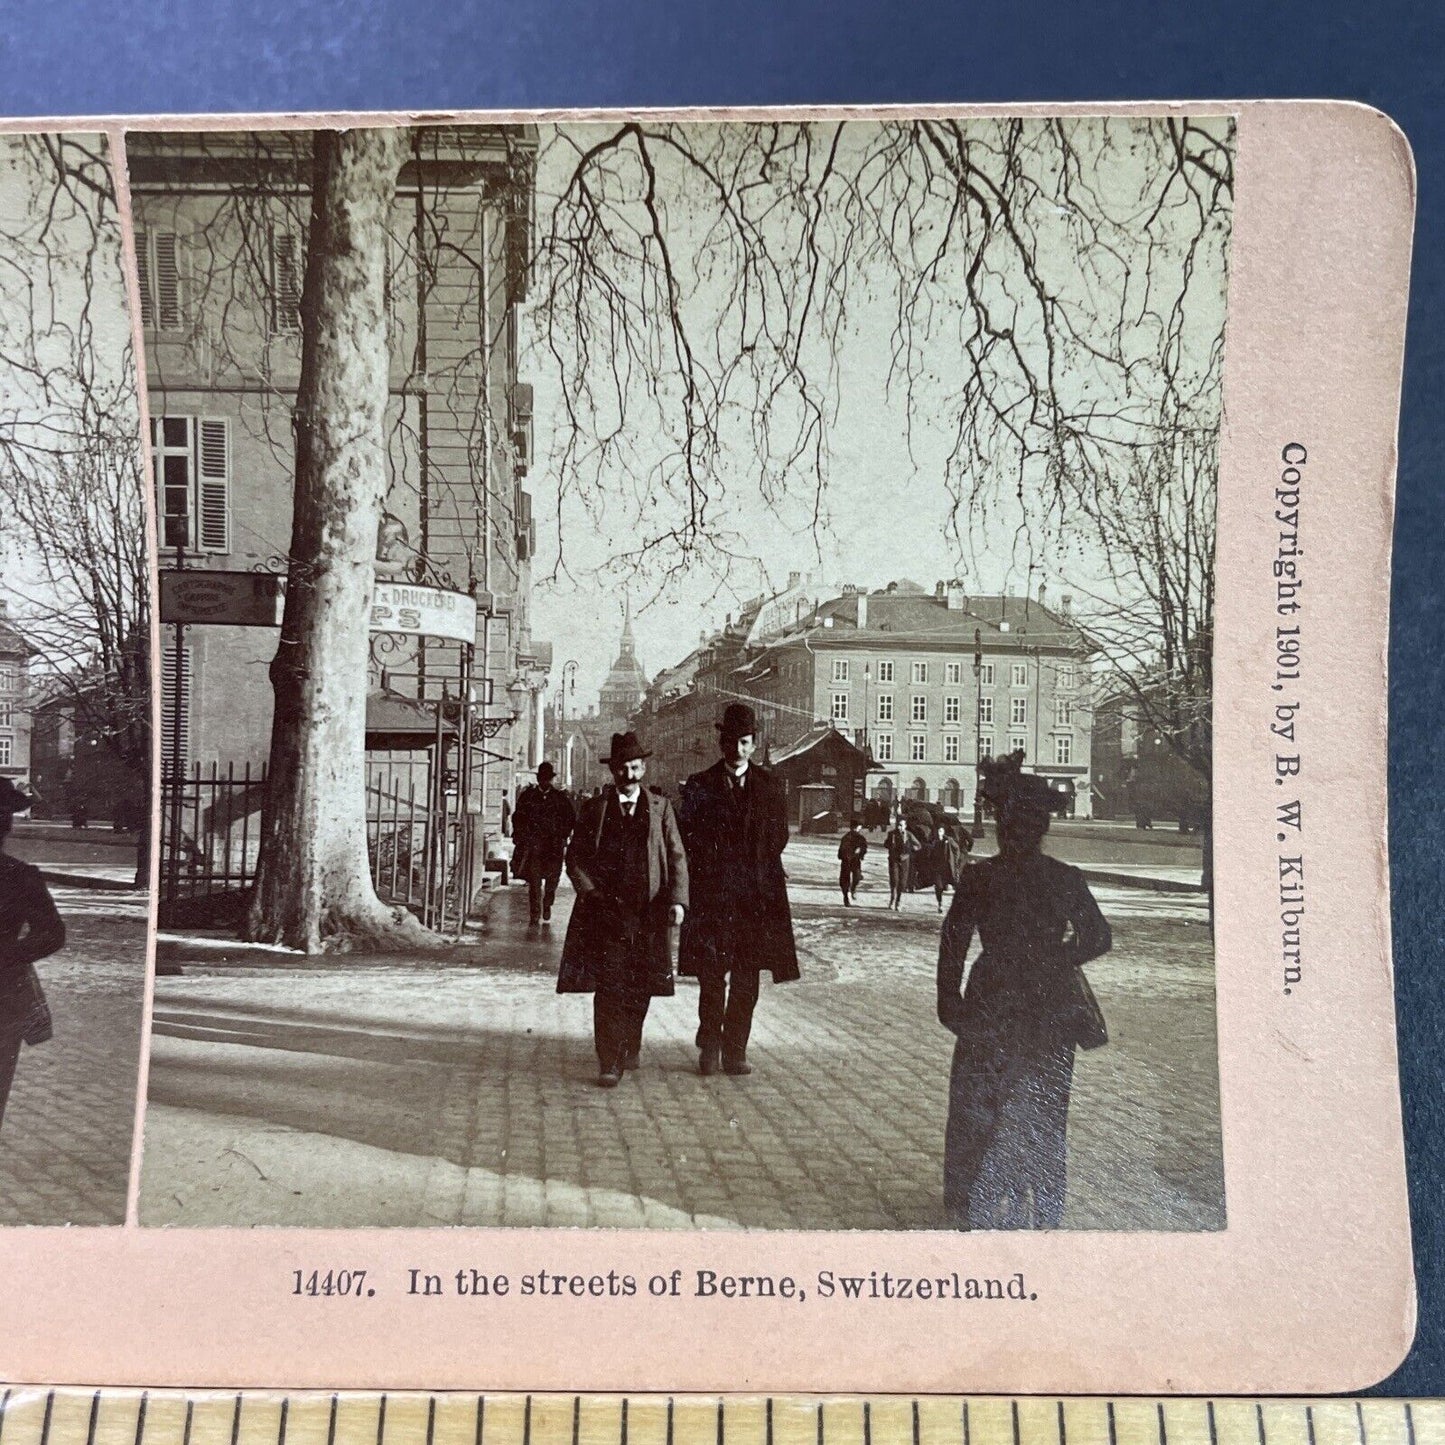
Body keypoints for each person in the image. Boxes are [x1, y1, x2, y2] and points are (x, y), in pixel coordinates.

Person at [936, 752, 1111, 1230]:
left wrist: (948, 999)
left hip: (991, 997)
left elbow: (954, 939)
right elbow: (1098, 937)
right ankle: (1042, 1201)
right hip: (1049, 1004)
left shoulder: (980, 876)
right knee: (1045, 1102)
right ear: (1042, 830)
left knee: (979, 1097)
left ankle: (967, 1198)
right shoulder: (1065, 878)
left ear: (1005, 827)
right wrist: (1056, 959)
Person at [557, 733, 688, 1087]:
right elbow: (577, 859)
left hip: (649, 911)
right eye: (622, 769)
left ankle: (631, 1042)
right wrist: (591, 894)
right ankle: (609, 1059)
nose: (629, 775)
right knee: (611, 984)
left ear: (643, 768)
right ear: (613, 771)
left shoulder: (660, 808)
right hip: (608, 913)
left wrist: (678, 900)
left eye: (635, 767)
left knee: (642, 984)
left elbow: (676, 855)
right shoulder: (596, 810)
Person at [678, 703, 799, 1076]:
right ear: (721, 742)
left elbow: (779, 834)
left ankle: (735, 1049)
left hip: (755, 899)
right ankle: (710, 1045)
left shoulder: (769, 785)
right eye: (731, 742)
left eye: (745, 742)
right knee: (712, 974)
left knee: (747, 975)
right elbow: (689, 837)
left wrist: (756, 867)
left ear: (752, 743)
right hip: (713, 897)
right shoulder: (700, 785)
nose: (738, 749)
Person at [0, 780, 64, 1131]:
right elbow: (53, 934)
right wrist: (11, 954)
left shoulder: (19, 876)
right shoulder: (21, 876)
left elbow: (53, 934)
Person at [512, 761, 577, 925]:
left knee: (552, 880)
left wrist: (562, 835)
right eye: (542, 778)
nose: (545, 782)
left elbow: (570, 818)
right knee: (534, 881)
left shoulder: (560, 798)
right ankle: (535, 912)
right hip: (534, 847)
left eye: (548, 779)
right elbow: (518, 817)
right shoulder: (529, 796)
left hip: (553, 848)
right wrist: (522, 835)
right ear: (539, 779)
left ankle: (547, 902)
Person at [929, 823, 971, 913]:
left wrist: (955, 861)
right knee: (939, 887)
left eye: (940, 831)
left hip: (948, 868)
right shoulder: (934, 841)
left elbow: (956, 849)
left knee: (956, 885)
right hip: (938, 869)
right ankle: (940, 904)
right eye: (937, 831)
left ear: (943, 832)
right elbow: (931, 854)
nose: (938, 833)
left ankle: (959, 906)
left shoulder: (949, 840)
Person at [884, 812, 918, 909]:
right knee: (894, 880)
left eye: (901, 825)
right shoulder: (892, 834)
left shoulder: (909, 835)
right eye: (898, 825)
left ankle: (898, 901)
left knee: (902, 883)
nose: (899, 827)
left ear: (905, 826)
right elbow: (885, 844)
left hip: (904, 860)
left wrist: (911, 848)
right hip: (894, 860)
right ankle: (892, 899)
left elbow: (918, 845)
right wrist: (890, 844)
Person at [837, 817, 869, 906]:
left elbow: (864, 848)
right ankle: (846, 897)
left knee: (856, 877)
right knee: (846, 880)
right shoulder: (846, 838)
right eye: (857, 827)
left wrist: (860, 852)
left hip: (854, 861)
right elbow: (841, 850)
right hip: (847, 861)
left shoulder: (860, 838)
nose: (858, 828)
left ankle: (851, 890)